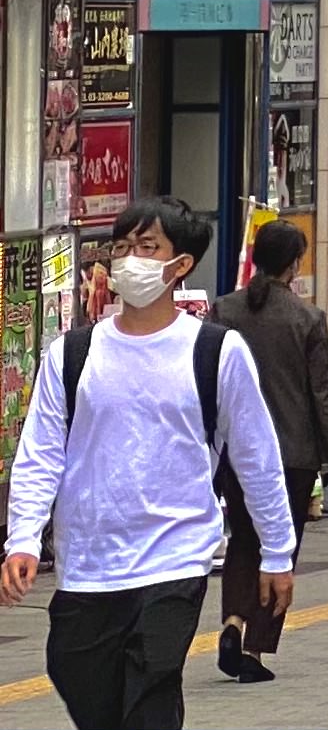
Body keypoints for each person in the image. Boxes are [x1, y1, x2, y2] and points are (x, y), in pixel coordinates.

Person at [2, 197, 294, 730]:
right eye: (121, 247)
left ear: (180, 265)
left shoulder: (215, 351)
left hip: (174, 558)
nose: (129, 259)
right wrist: (22, 537)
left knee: (151, 691)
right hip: (88, 565)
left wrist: (277, 551)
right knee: (82, 683)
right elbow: (41, 452)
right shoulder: (71, 354)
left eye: (146, 247)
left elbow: (256, 455)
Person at [214, 221, 328, 688]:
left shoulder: (224, 310)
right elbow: (322, 393)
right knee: (278, 546)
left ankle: (231, 623)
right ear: (294, 264)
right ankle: (254, 648)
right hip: (292, 451)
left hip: (236, 449)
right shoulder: (307, 319)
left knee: (244, 538)